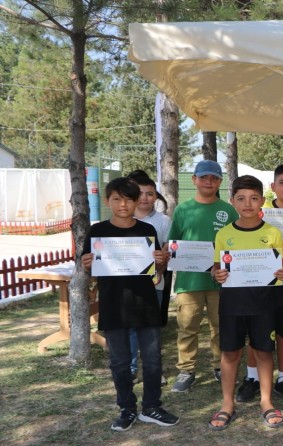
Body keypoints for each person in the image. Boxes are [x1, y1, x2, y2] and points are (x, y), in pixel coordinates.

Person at [81, 177, 179, 431]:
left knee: (153, 358)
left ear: (137, 202)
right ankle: (126, 408)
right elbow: (90, 269)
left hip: (145, 303)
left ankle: (151, 406)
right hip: (113, 304)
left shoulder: (147, 230)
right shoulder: (98, 231)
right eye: (117, 199)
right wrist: (87, 264)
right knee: (120, 361)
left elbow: (156, 271)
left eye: (128, 199)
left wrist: (161, 261)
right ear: (107, 201)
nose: (123, 205)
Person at [208, 175, 283, 431]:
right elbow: (217, 268)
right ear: (232, 201)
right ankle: (227, 403)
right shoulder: (224, 233)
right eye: (241, 199)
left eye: (254, 198)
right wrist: (216, 274)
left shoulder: (272, 233)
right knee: (230, 353)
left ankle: (266, 401)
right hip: (232, 303)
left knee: (263, 352)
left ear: (262, 201)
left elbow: (281, 267)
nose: (247, 204)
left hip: (264, 303)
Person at [235, 164, 283, 405]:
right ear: (273, 186)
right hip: (262, 281)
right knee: (258, 331)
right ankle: (252, 378)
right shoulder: (260, 209)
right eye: (282, 183)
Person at [168, 160, 238, 393]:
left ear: (220, 182)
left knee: (220, 327)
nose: (209, 182)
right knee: (188, 327)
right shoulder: (183, 209)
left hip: (222, 281)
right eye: (204, 177)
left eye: (214, 178)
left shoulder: (228, 210)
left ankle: (220, 366)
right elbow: (173, 243)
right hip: (189, 281)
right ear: (194, 180)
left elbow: (235, 244)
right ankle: (186, 370)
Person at [126, 173, 172, 383]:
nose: (144, 198)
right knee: (130, 327)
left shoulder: (163, 221)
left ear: (156, 196)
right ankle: (131, 368)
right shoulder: (123, 219)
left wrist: (160, 268)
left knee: (151, 328)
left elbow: (167, 251)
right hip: (127, 286)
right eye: (140, 193)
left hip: (155, 282)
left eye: (150, 193)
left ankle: (154, 370)